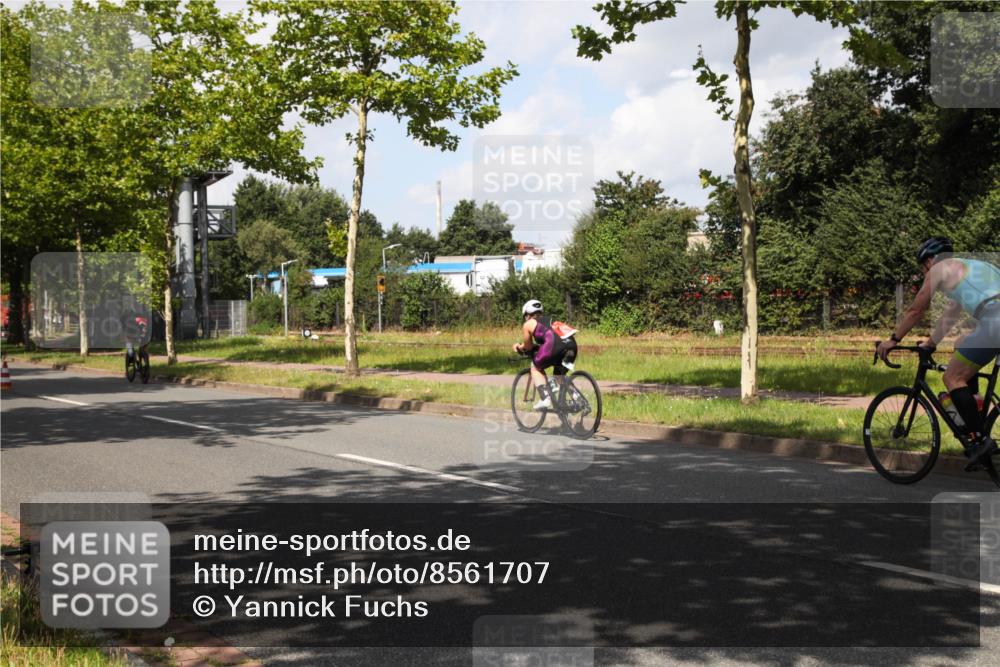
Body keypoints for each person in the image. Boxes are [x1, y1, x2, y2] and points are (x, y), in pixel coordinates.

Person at [877, 237, 1000, 466]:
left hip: (995, 320)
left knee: (952, 377)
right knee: (962, 344)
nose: (925, 274)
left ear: (929, 261)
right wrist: (931, 344)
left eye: (923, 268)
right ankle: (974, 416)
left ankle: (980, 441)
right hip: (993, 320)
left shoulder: (939, 268)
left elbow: (916, 309)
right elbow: (950, 316)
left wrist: (893, 340)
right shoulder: (973, 267)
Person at [513, 300, 579, 410]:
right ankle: (578, 399)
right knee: (559, 376)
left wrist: (518, 347)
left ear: (527, 314)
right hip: (572, 346)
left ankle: (546, 398)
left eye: (525, 316)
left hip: (554, 345)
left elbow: (528, 347)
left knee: (535, 367)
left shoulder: (528, 324)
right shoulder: (551, 320)